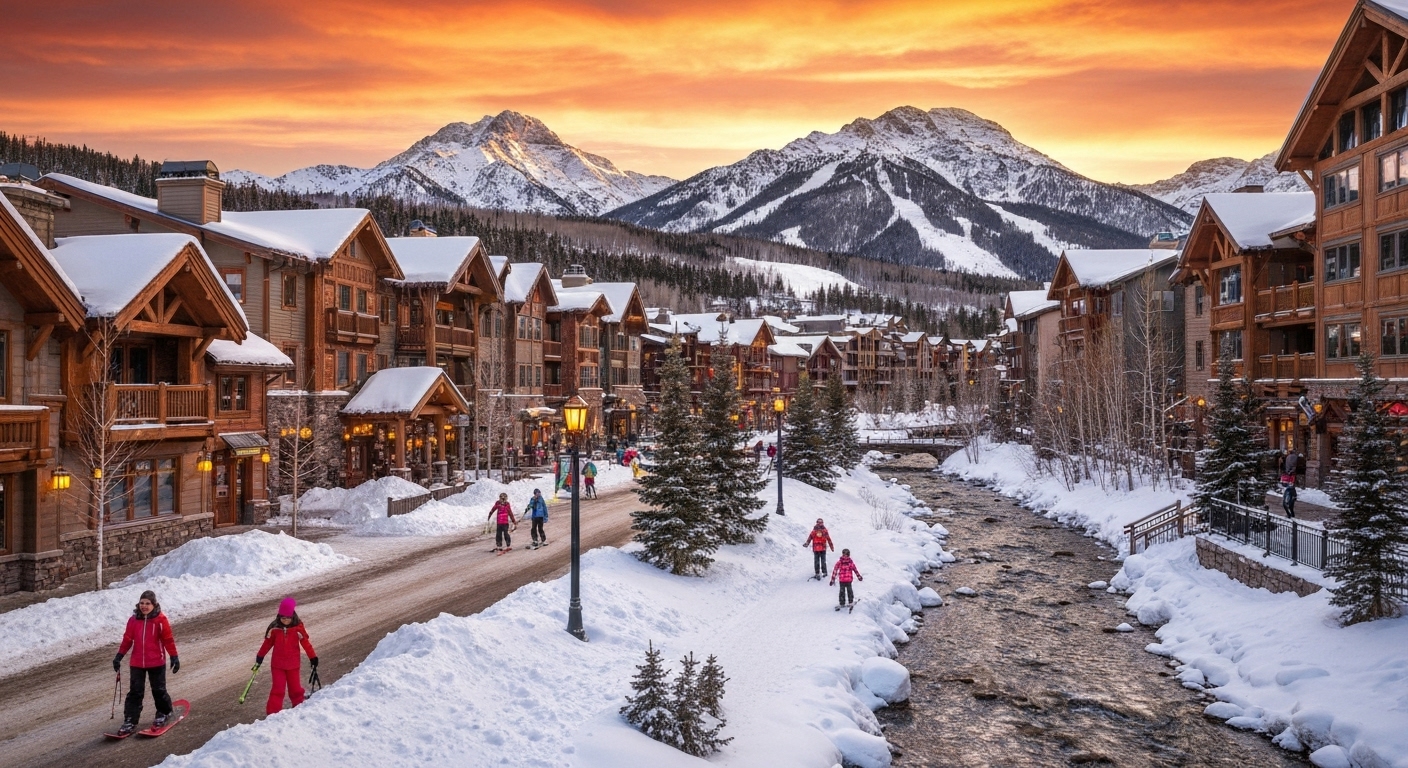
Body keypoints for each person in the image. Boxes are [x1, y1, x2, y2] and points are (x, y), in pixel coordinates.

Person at [113, 589, 179, 735]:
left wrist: (174, 656)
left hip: (156, 661)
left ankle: (164, 712)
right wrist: (119, 656)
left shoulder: (160, 620)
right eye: (142, 603)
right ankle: (130, 720)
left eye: (147, 603)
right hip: (137, 662)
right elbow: (127, 639)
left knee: (158, 690)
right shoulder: (133, 620)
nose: (144, 606)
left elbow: (168, 640)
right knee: (135, 692)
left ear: (154, 605)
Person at [256, 597, 317, 716]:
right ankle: (272, 714)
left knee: (295, 690)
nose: (285, 620)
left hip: (293, 664)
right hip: (277, 665)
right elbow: (267, 643)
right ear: (279, 616)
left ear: (292, 616)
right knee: (277, 690)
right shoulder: (274, 628)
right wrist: (260, 656)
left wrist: (313, 657)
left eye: (288, 618)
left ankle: (299, 709)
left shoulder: (298, 628)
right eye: (283, 617)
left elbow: (305, 643)